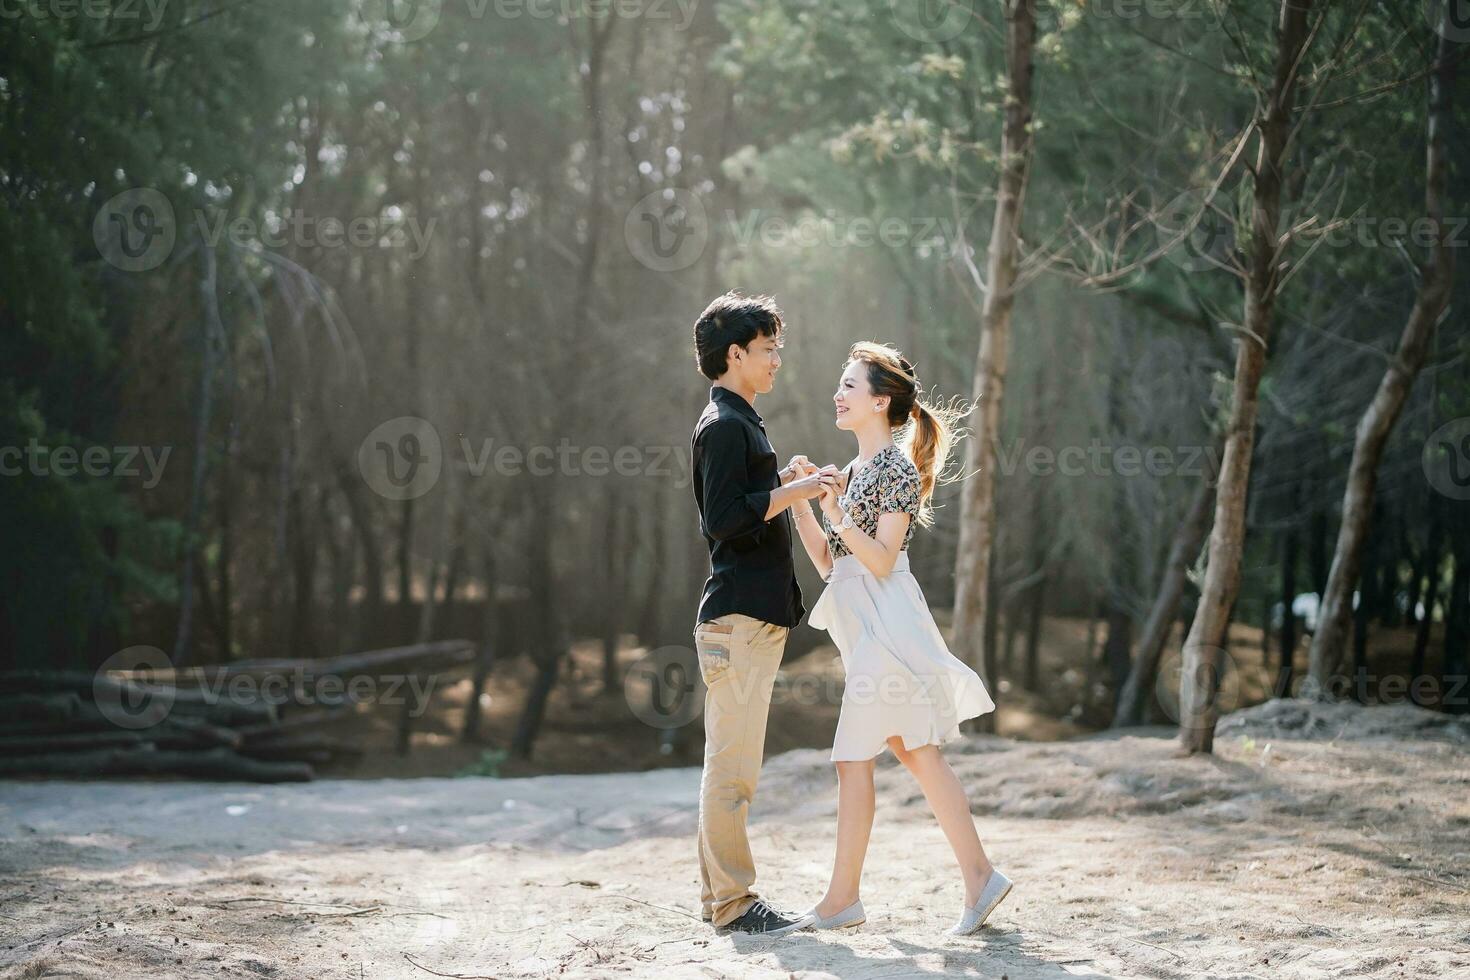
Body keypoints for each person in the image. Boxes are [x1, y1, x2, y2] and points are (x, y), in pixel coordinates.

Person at [788, 341, 1011, 936]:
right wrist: (805, 504)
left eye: (849, 386)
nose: (838, 394)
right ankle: (970, 878)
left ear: (880, 401)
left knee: (874, 754)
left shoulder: (896, 468)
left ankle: (849, 901)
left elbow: (883, 561)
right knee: (901, 751)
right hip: (865, 621)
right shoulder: (857, 470)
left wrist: (836, 511)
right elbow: (833, 568)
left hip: (890, 621)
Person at [689, 291, 839, 936]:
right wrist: (800, 489)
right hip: (738, 620)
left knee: (731, 767)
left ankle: (720, 900)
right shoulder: (724, 425)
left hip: (750, 620)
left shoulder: (741, 421)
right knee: (733, 772)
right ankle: (735, 904)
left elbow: (750, 501)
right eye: (769, 348)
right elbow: (722, 520)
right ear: (736, 354)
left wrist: (787, 485)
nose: (778, 359)